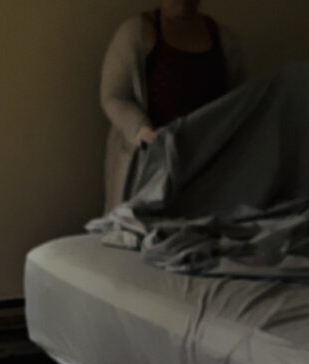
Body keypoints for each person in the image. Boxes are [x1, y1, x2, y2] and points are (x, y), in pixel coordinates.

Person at [101, 0, 243, 212]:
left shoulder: (223, 40)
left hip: (207, 171)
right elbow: (114, 96)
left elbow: (237, 103)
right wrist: (142, 130)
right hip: (151, 168)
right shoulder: (136, 33)